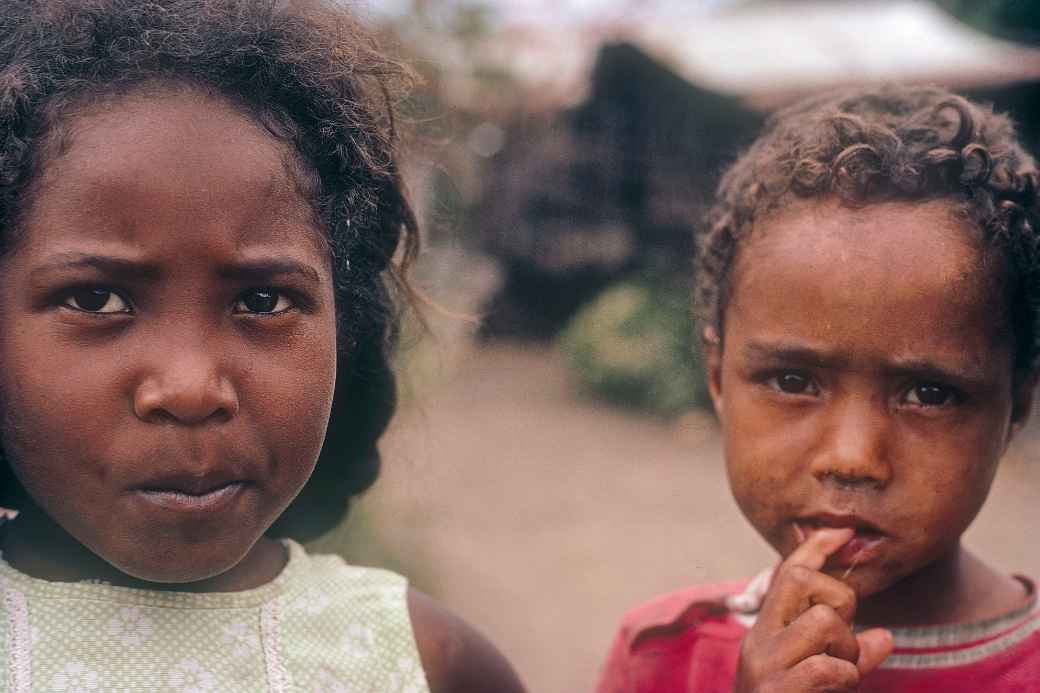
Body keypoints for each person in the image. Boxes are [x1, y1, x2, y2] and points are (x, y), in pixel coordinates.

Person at [0, 1, 525, 691]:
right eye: (97, 299)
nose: (191, 388)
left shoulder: (424, 662)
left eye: (263, 301)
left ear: (346, 325)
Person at [596, 85, 1040, 692]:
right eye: (793, 381)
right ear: (716, 376)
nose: (851, 459)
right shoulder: (661, 657)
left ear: (1018, 403)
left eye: (928, 394)